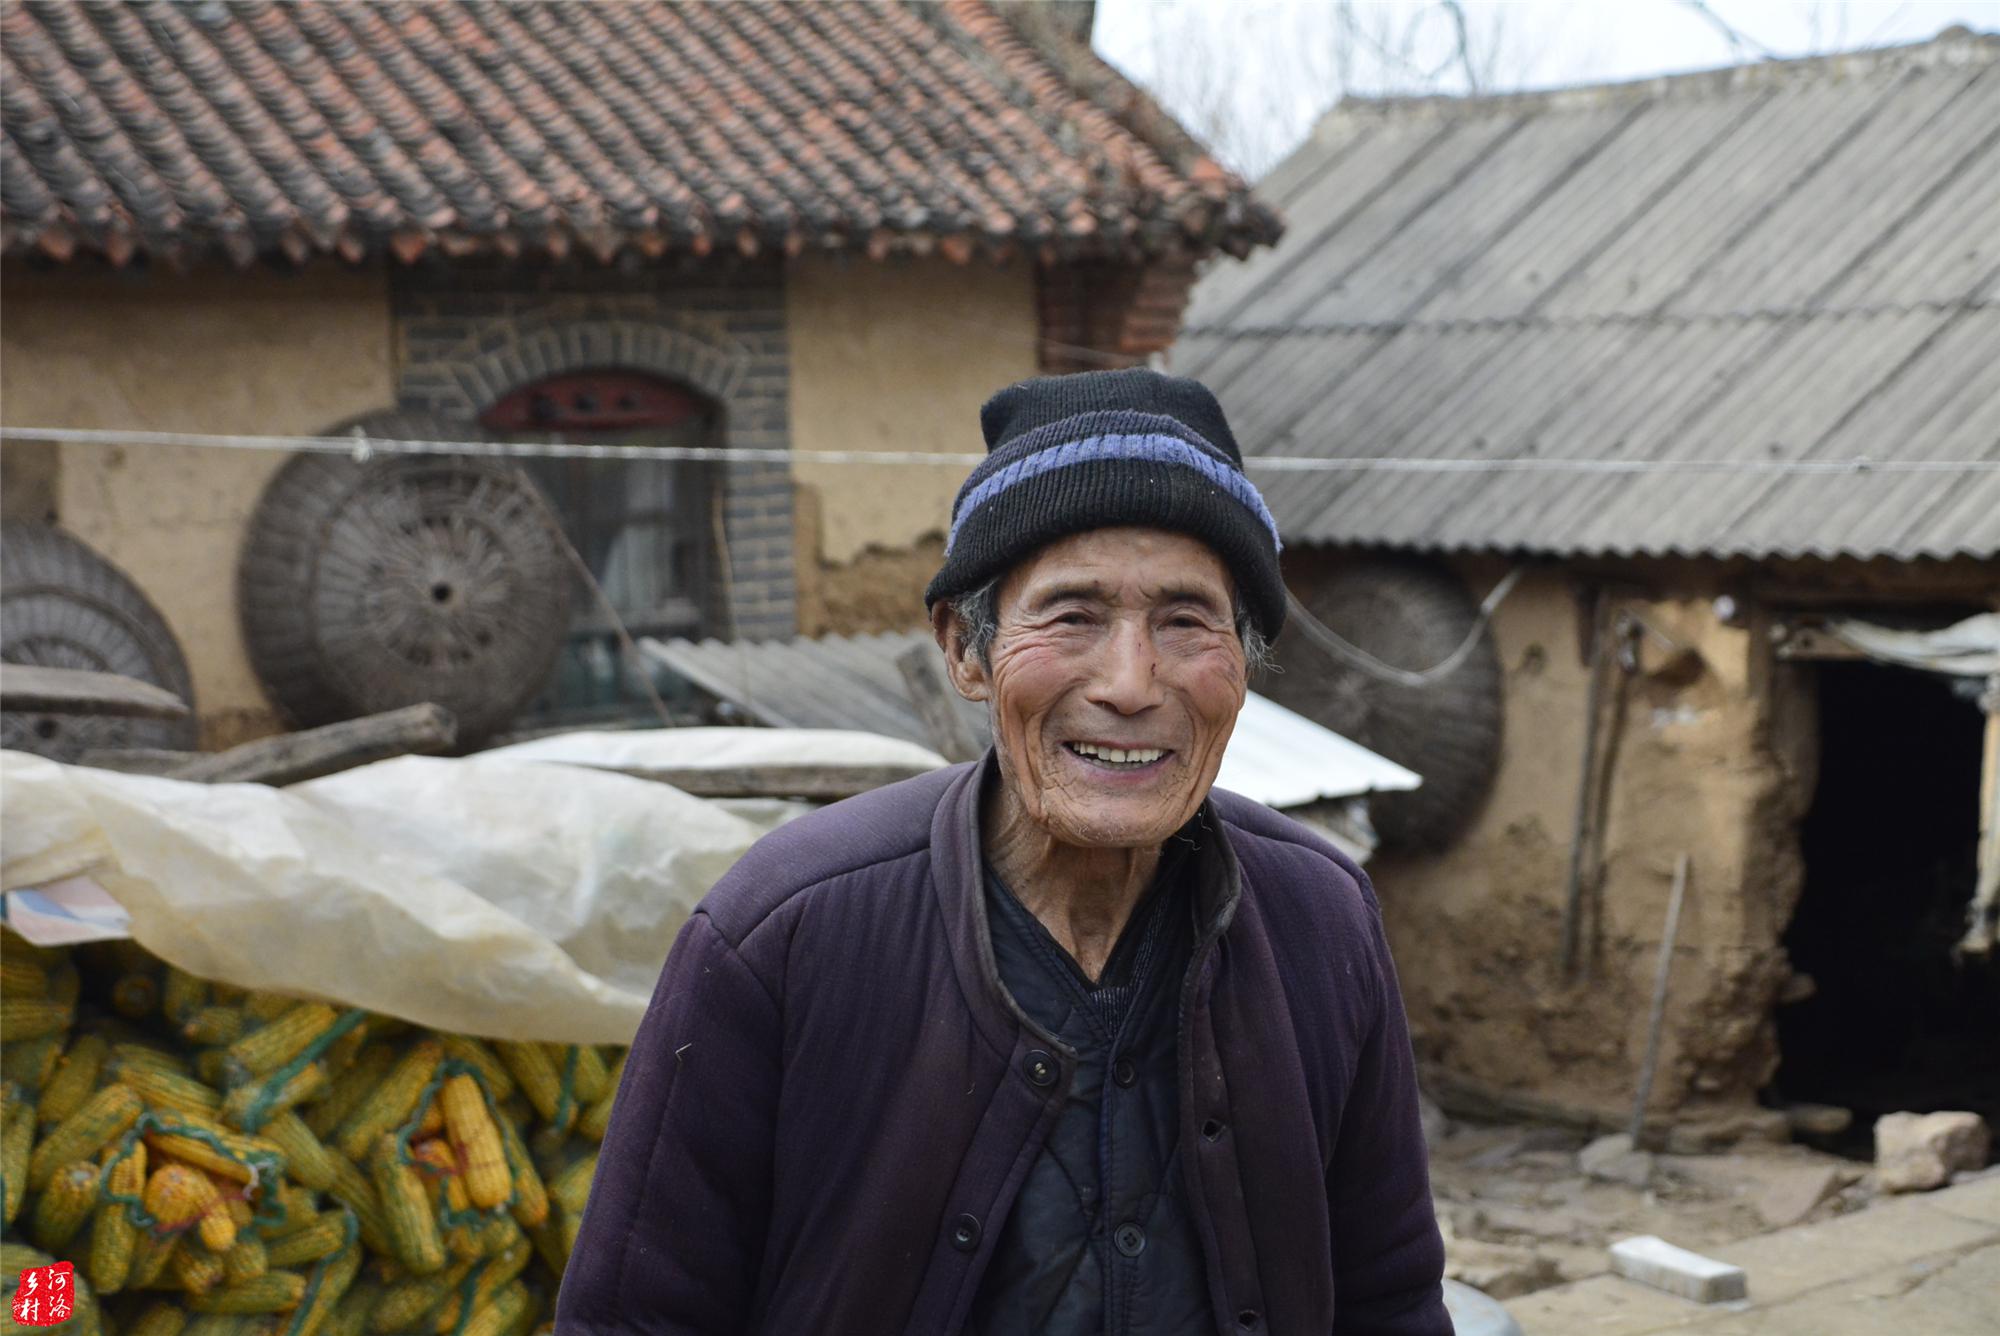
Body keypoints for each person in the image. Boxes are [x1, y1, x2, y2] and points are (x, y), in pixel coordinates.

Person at [555, 369, 1449, 1335]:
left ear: (1244, 662)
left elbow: (1389, 1302)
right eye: (1073, 615)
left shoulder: (1321, 921)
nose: (1130, 682)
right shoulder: (783, 933)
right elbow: (636, 1320)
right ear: (966, 652)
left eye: (1187, 620)